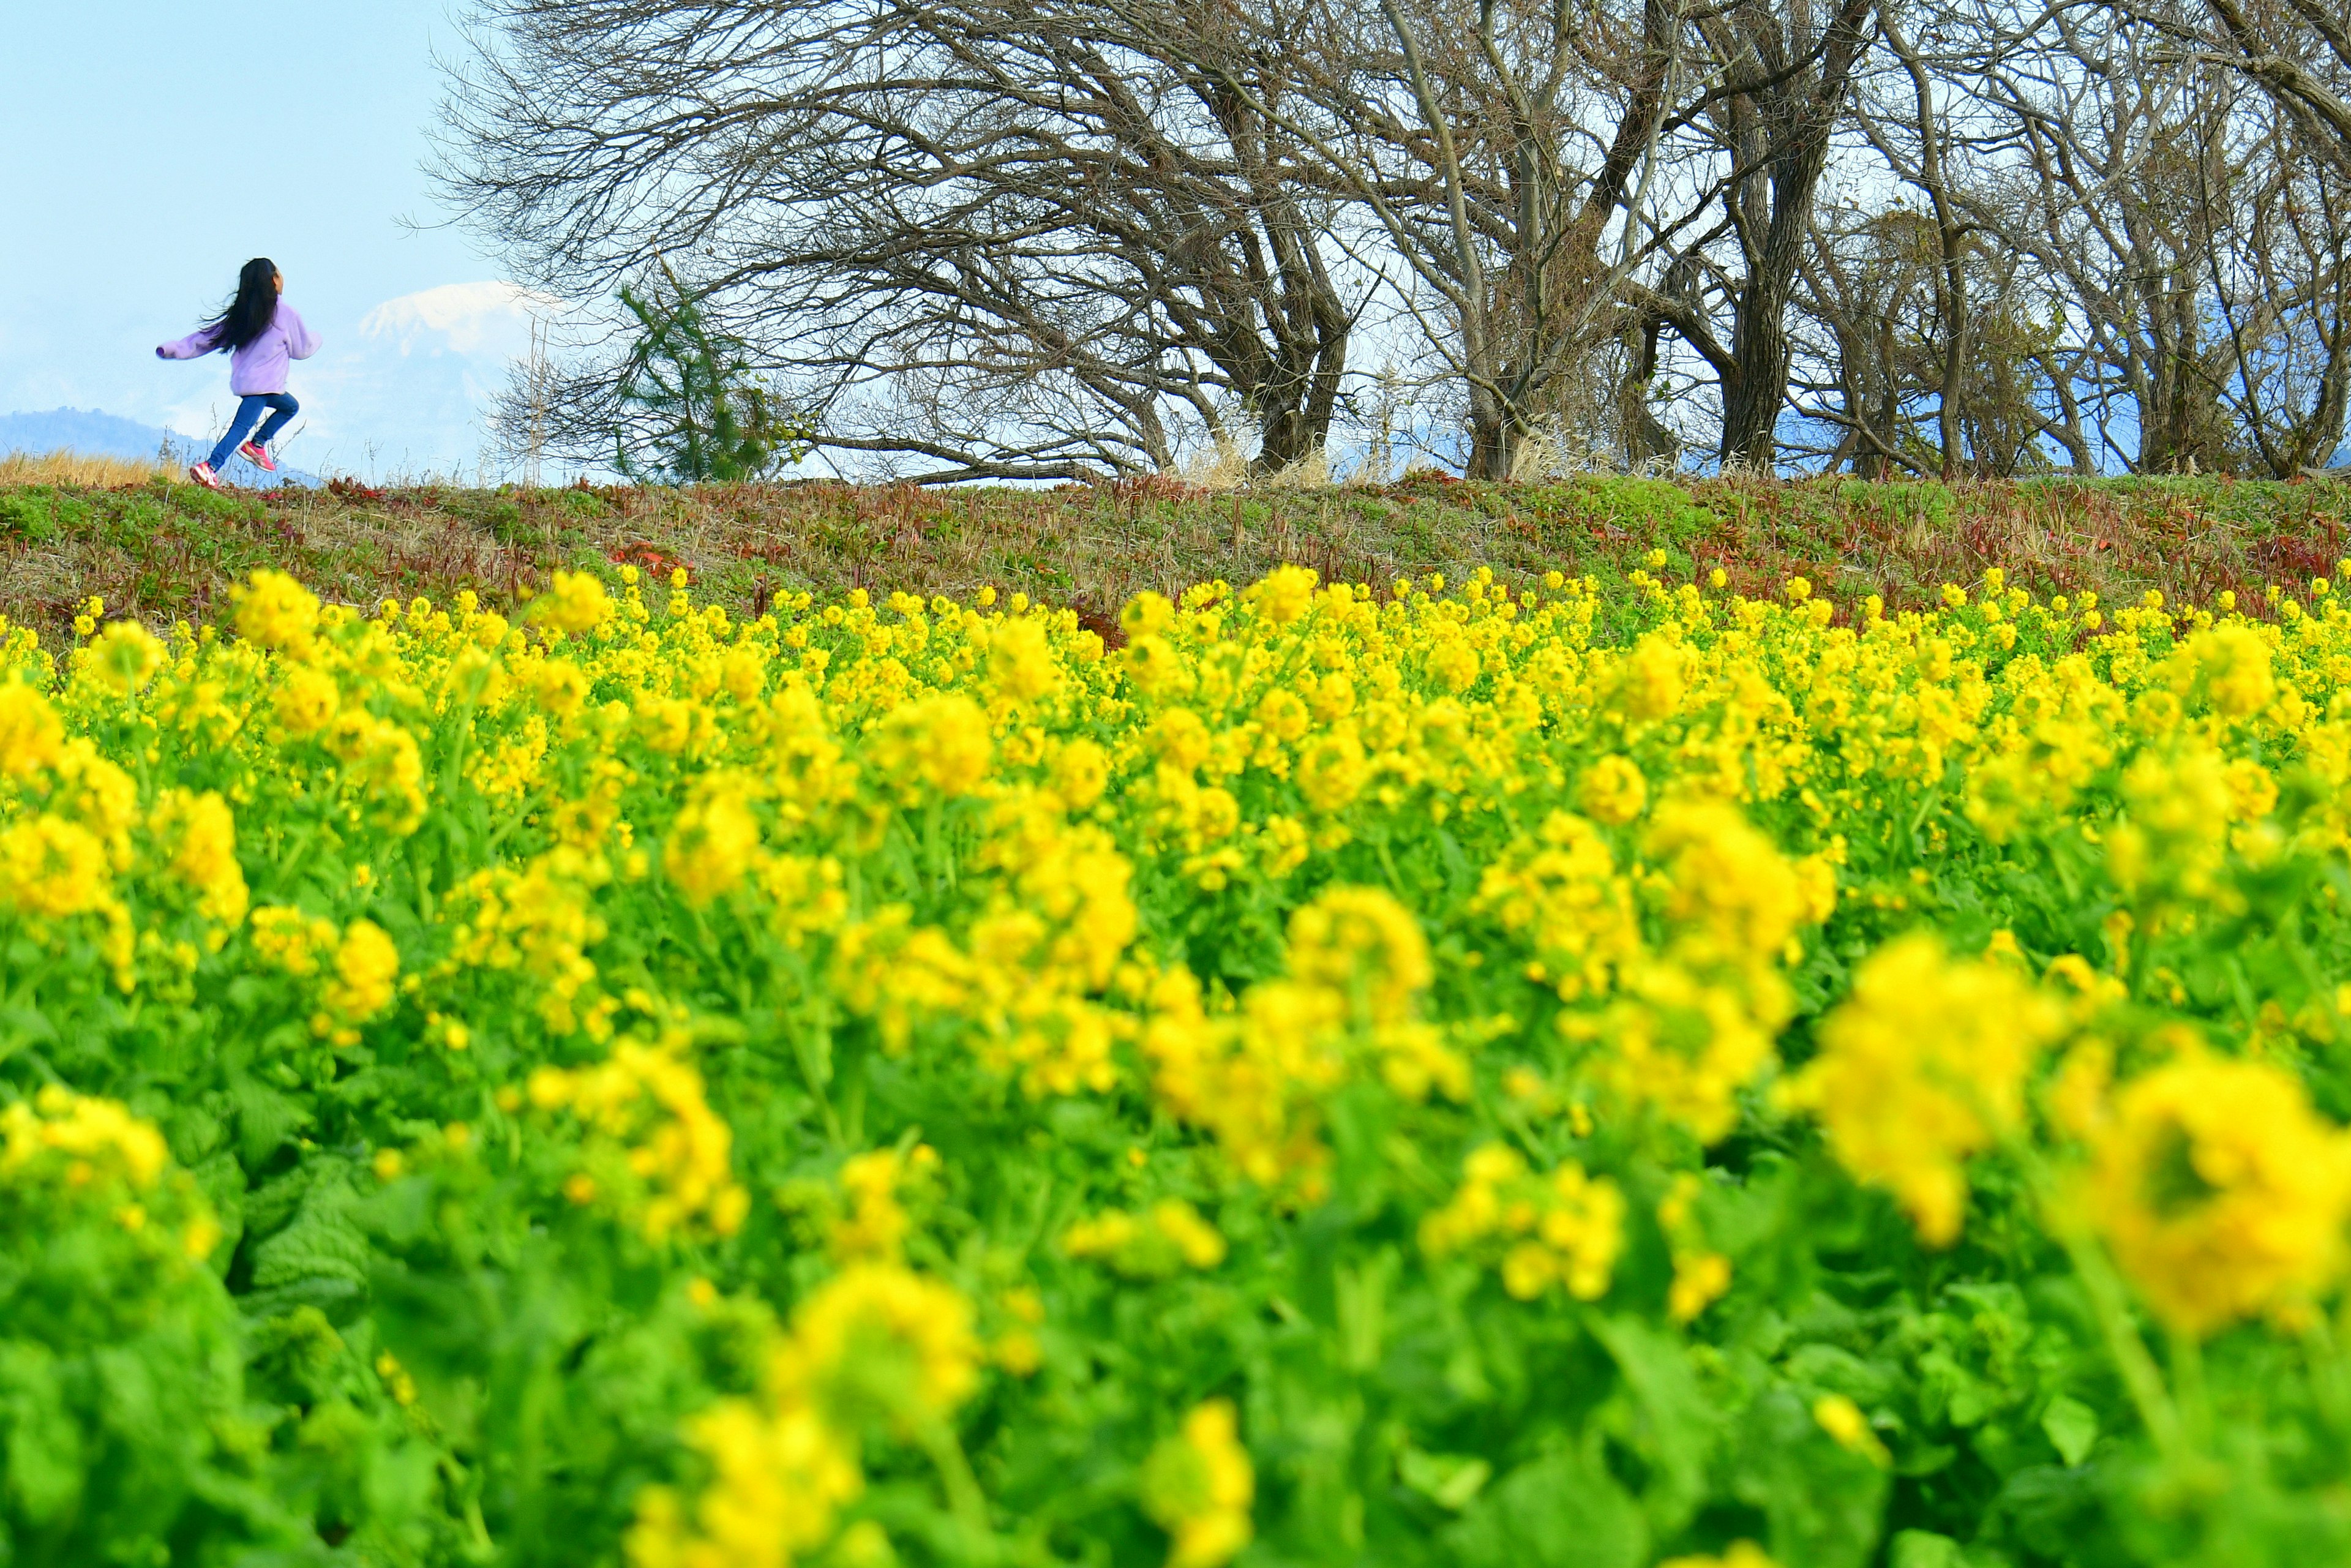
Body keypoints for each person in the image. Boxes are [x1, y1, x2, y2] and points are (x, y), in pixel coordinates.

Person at [156, 258, 318, 490]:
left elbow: (205, 339)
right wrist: (318, 339)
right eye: (280, 275)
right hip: (262, 388)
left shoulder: (243, 314)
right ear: (274, 281)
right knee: (240, 428)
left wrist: (173, 349)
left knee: (290, 406)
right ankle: (210, 467)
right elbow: (302, 350)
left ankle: (257, 445)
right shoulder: (285, 314)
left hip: (254, 384)